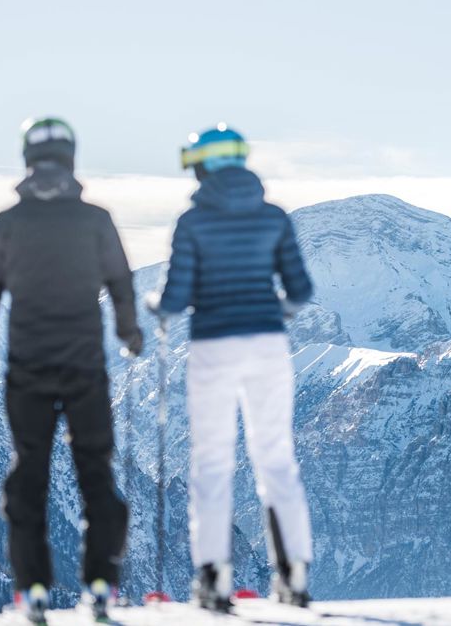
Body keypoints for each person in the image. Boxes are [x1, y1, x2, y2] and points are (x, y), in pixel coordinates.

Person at [0, 117, 142, 625]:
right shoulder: (96, 220)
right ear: (71, 158)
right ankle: (101, 583)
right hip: (85, 367)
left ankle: (32, 589)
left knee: (28, 477)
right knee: (96, 473)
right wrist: (131, 335)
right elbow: (122, 283)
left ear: (26, 160)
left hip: (28, 369)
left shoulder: (6, 224)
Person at [148, 123, 314, 613]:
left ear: (202, 165)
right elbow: (301, 291)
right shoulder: (274, 218)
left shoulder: (192, 222)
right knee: (275, 457)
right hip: (268, 344)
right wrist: (272, 311)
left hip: (213, 347)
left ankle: (214, 580)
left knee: (213, 462)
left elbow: (175, 298)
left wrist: (156, 303)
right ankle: (294, 575)